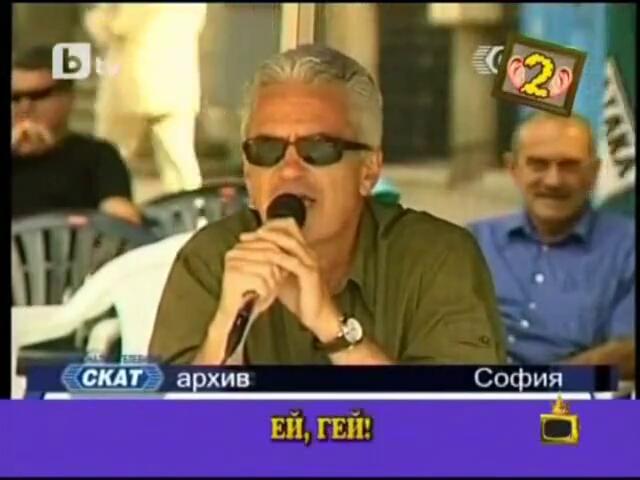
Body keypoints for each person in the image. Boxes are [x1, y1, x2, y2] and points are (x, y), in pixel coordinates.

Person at [149, 45, 505, 365]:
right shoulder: (212, 257)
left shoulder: (438, 258)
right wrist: (225, 328)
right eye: (267, 149)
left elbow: (456, 416)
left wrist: (331, 327)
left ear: (368, 171)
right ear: (248, 173)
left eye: (318, 148)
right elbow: (166, 415)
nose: (289, 169)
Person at [468, 113, 635, 379]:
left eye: (569, 166)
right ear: (513, 169)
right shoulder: (473, 241)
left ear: (593, 173)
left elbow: (627, 352)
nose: (553, 181)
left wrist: (530, 388)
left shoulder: (628, 248)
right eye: (538, 165)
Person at [84, 3, 207, 194]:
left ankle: (103, 201)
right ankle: (192, 207)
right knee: (179, 161)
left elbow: (115, 26)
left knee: (110, 154)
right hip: (178, 84)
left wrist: (97, 15)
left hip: (134, 86)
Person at [11, 45, 141, 224]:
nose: (25, 107)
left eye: (39, 95)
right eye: (15, 97)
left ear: (68, 98)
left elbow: (122, 220)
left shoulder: (97, 156)